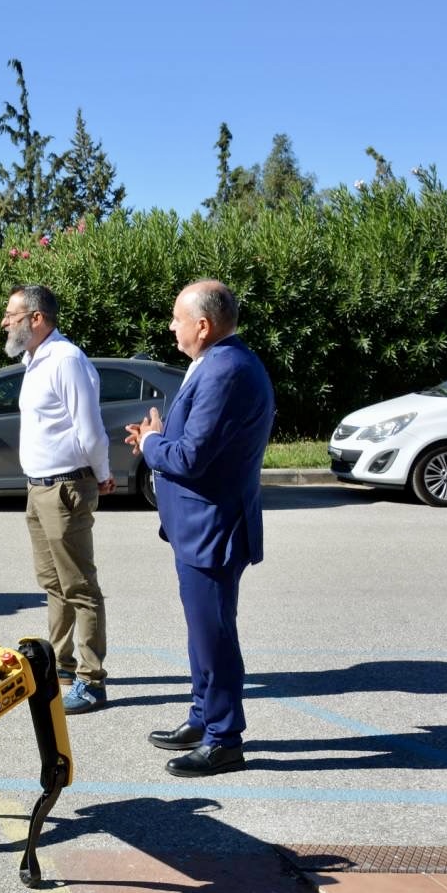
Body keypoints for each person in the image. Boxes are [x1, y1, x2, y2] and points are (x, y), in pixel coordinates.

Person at [126, 280, 274, 778]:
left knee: (214, 635)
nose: (171, 326)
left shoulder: (226, 369)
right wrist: (158, 437)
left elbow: (190, 457)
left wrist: (151, 445)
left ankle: (224, 739)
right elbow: (196, 442)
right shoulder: (216, 362)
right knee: (201, 632)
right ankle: (202, 716)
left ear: (203, 325)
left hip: (212, 528)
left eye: (177, 318)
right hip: (198, 526)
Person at [1, 284, 114, 715]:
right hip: (40, 488)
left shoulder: (66, 361)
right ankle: (61, 666)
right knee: (53, 584)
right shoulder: (36, 360)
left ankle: (91, 680)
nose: (5, 322)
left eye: (12, 315)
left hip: (66, 488)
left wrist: (102, 477)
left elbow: (90, 430)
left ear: (37, 318)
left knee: (79, 586)